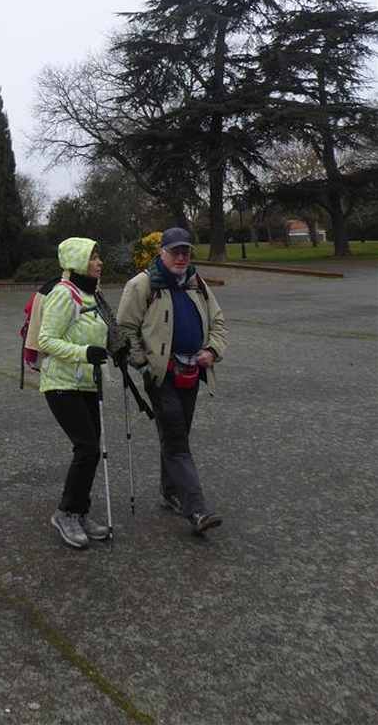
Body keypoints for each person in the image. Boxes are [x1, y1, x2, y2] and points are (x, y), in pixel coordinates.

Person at [116, 226, 227, 536]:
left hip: (192, 372)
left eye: (185, 251)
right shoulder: (142, 284)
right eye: (175, 251)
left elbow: (218, 322)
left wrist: (212, 350)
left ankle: (170, 492)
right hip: (161, 376)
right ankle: (197, 510)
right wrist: (144, 364)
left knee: (177, 434)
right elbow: (125, 328)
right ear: (161, 253)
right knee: (177, 438)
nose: (181, 256)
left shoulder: (197, 282)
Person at [38, 237, 112, 549]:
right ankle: (66, 513)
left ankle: (79, 512)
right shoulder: (63, 295)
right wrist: (85, 352)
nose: (99, 263)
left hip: (85, 383)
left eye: (99, 257)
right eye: (93, 258)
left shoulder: (91, 294)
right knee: (87, 448)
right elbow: (46, 340)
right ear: (78, 261)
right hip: (61, 384)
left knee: (91, 448)